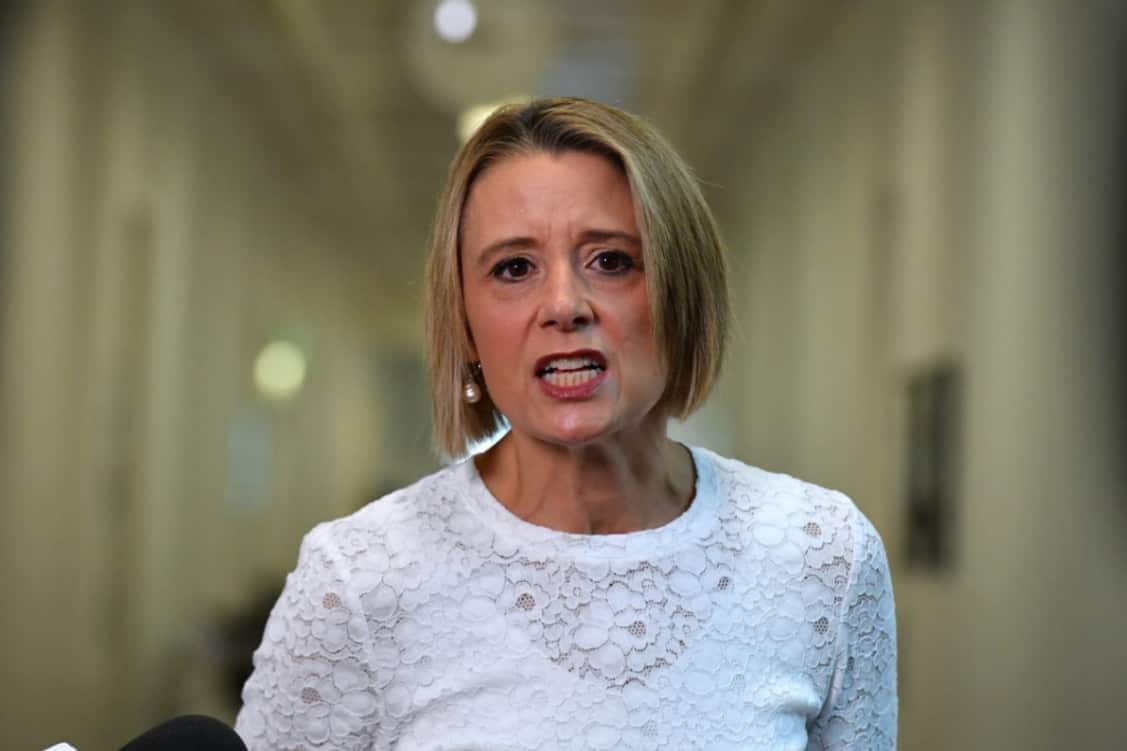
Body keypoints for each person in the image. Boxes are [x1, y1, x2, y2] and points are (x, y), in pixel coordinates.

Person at [234, 97, 897, 750]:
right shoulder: (356, 578)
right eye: (513, 268)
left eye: (610, 260)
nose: (562, 304)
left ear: (681, 293)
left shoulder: (822, 556)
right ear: (463, 323)